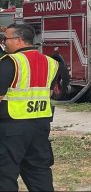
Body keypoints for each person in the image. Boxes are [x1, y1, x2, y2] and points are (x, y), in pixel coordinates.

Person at [0, 23, 60, 191]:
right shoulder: (51, 63)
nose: (4, 42)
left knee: (4, 175)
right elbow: (48, 93)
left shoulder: (9, 62)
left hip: (11, 127)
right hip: (40, 126)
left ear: (19, 40)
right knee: (38, 172)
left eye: (6, 39)